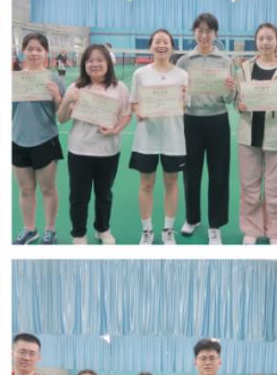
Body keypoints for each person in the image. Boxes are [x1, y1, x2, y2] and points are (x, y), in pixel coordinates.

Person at [57, 43, 132, 245]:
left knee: (104, 194)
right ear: (84, 64)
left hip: (108, 152)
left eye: (100, 60)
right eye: (90, 60)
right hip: (80, 151)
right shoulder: (75, 88)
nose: (95, 64)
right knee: (79, 196)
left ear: (108, 63)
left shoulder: (120, 88)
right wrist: (67, 101)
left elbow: (126, 115)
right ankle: (79, 234)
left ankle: (103, 229)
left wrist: (115, 130)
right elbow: (62, 119)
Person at [236, 23, 277, 245]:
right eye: (261, 38)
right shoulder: (244, 68)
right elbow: (237, 96)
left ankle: (275, 232)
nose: (265, 42)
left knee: (276, 187)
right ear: (256, 41)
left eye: (269, 38)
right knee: (249, 187)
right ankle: (251, 230)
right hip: (249, 135)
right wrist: (239, 105)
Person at [176, 13, 236, 245]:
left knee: (219, 174)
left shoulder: (225, 61)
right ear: (194, 33)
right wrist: (181, 95)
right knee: (191, 173)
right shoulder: (184, 61)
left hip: (218, 121)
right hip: (191, 122)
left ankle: (215, 225)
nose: (203, 35)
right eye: (199, 31)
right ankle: (192, 218)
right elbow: (178, 98)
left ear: (215, 34)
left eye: (208, 31)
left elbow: (229, 99)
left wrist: (230, 89)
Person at [129, 28, 188, 245]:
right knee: (146, 184)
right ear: (151, 46)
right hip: (147, 138)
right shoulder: (140, 74)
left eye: (165, 42)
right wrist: (139, 112)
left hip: (173, 138)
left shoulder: (182, 75)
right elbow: (135, 103)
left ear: (172, 46)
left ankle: (168, 230)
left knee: (172, 183)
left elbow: (185, 106)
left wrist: (182, 99)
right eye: (157, 41)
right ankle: (147, 231)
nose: (161, 45)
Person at [12, 33, 66, 245]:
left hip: (45, 139)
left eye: (38, 49)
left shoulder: (54, 79)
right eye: (30, 49)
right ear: (23, 51)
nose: (34, 53)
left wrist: (57, 96)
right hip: (18, 139)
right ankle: (29, 229)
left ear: (45, 53)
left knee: (48, 188)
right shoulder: (14, 79)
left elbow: (62, 114)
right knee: (25, 189)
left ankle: (50, 230)